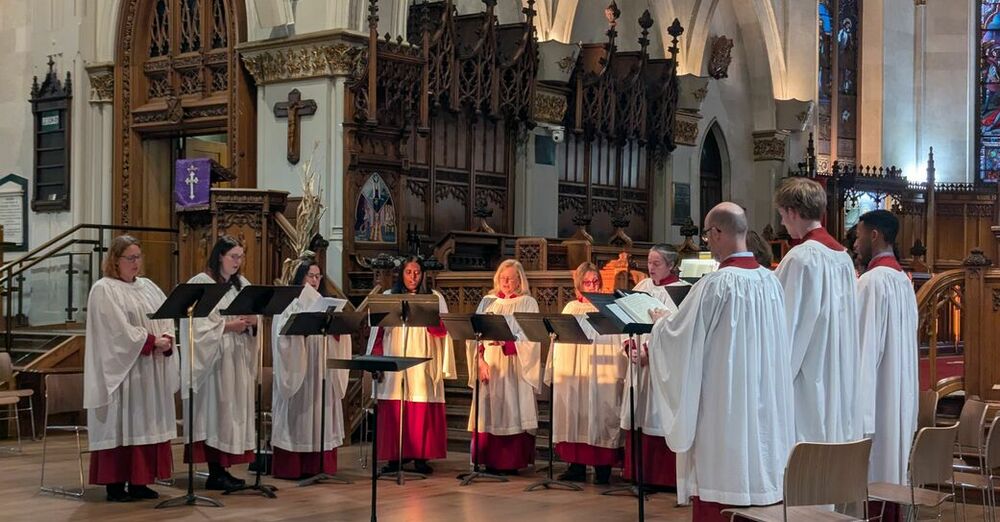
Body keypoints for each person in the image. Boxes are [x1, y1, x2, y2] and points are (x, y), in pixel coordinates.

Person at [645, 202, 794, 521]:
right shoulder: (771, 282)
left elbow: (680, 337)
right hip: (764, 401)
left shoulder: (715, 284)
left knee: (725, 481)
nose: (706, 242)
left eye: (707, 235)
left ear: (718, 232)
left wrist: (659, 324)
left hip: (725, 406)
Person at [83, 235, 177, 502]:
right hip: (124, 373)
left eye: (138, 257)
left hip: (150, 371)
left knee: (147, 422)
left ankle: (140, 481)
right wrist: (150, 341)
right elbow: (114, 331)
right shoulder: (104, 289)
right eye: (130, 258)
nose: (136, 263)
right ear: (115, 260)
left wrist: (167, 338)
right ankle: (115, 485)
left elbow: (166, 314)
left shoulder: (147, 286)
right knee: (124, 422)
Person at [773, 177, 862, 443]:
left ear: (791, 211)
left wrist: (774, 379)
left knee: (805, 449)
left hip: (807, 373)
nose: (781, 223)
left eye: (781, 215)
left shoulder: (800, 258)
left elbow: (786, 326)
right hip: (837, 364)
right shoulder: (843, 256)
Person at [366, 256, 455, 475]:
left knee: (421, 403)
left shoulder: (434, 297)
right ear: (401, 274)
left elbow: (444, 331)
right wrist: (375, 359)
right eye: (408, 272)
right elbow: (377, 330)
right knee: (395, 404)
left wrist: (429, 319)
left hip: (422, 358)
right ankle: (395, 457)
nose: (413, 277)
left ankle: (420, 456)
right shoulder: (388, 297)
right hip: (394, 354)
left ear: (423, 275)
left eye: (417, 272)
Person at [181, 235, 258, 491]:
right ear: (219, 257)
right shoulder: (202, 283)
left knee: (232, 413)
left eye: (240, 256)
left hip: (236, 359)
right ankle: (215, 471)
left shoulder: (241, 284)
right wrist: (228, 326)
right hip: (214, 361)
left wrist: (254, 323)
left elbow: (254, 315)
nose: (237, 262)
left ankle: (224, 469)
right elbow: (196, 327)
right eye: (232, 256)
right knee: (216, 412)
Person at [271, 258, 352, 480]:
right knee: (301, 413)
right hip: (301, 370)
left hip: (322, 367)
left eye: (318, 276)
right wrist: (303, 332)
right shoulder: (290, 302)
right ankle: (296, 466)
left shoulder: (326, 302)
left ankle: (319, 466)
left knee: (320, 410)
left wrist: (338, 331)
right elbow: (282, 338)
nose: (315, 281)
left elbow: (340, 334)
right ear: (301, 277)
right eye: (311, 276)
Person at [545, 263, 625, 484]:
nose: (592, 286)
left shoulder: (609, 307)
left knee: (602, 414)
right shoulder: (570, 308)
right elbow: (558, 341)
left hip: (603, 371)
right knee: (574, 414)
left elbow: (618, 341)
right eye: (587, 283)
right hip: (574, 371)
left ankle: (603, 468)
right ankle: (576, 466)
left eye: (595, 282)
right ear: (579, 286)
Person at [854, 210, 918, 486]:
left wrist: (858, 410)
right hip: (899, 395)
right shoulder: (904, 281)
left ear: (874, 235)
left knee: (874, 476)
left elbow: (863, 347)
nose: (855, 244)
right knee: (892, 474)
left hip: (877, 399)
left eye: (858, 236)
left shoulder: (872, 281)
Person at [621, 244, 689, 491]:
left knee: (659, 416)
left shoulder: (683, 293)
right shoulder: (641, 288)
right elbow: (626, 320)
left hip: (663, 369)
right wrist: (631, 347)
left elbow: (681, 332)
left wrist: (651, 353)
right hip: (638, 365)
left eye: (657, 263)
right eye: (649, 262)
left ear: (671, 265)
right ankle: (638, 475)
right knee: (639, 413)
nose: (651, 267)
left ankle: (664, 479)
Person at [467, 259, 541, 474]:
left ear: (520, 280)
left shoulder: (528, 303)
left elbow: (532, 337)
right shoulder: (487, 302)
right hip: (490, 365)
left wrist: (508, 343)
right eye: (503, 278)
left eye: (510, 278)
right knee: (489, 410)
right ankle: (486, 459)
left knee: (512, 410)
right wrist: (479, 361)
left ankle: (509, 462)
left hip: (514, 367)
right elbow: (475, 335)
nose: (506, 282)